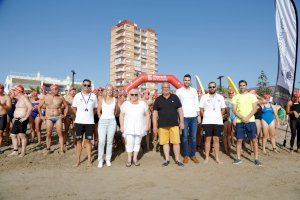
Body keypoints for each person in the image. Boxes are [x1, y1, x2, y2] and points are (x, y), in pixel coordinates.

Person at [153, 83, 184, 167]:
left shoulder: (175, 97)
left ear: (169, 88)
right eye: (164, 87)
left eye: (167, 87)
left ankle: (177, 159)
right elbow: (155, 114)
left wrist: (182, 122)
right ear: (161, 88)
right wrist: (155, 126)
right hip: (162, 125)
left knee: (176, 142)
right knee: (165, 143)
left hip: (174, 124)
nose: (165, 89)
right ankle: (167, 159)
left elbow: (180, 110)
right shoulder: (158, 99)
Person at [232, 80, 262, 166]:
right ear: (239, 86)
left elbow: (255, 108)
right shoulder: (236, 96)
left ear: (246, 86)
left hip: (251, 121)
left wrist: (247, 117)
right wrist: (242, 117)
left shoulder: (252, 96)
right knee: (239, 140)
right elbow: (234, 110)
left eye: (244, 85)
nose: (242, 87)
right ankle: (238, 159)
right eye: (240, 85)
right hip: (239, 121)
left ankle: (256, 159)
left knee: (254, 140)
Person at [120, 89, 150, 167]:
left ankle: (135, 159)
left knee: (137, 143)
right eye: (132, 94)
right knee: (129, 144)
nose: (134, 96)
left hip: (140, 127)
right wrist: (122, 126)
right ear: (129, 95)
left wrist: (147, 125)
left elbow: (147, 114)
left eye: (135, 94)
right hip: (128, 128)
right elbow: (121, 115)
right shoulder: (125, 104)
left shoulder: (143, 104)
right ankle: (129, 159)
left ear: (138, 95)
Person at [176, 74, 201, 163]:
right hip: (184, 117)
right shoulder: (178, 91)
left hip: (194, 116)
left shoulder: (194, 91)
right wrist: (179, 118)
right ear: (183, 81)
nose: (187, 81)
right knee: (185, 137)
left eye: (188, 80)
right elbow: (177, 105)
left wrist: (198, 116)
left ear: (190, 81)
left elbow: (196, 102)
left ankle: (193, 155)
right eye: (185, 80)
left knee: (193, 137)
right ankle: (186, 155)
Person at [72, 79, 98, 167]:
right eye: (85, 85)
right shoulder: (77, 96)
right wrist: (78, 115)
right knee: (78, 141)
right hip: (79, 122)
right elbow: (74, 108)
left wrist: (89, 115)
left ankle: (89, 160)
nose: (87, 87)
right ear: (82, 85)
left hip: (89, 122)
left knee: (88, 141)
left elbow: (95, 109)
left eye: (88, 85)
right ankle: (78, 161)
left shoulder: (94, 96)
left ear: (90, 86)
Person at [199, 82, 226, 164]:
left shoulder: (220, 97)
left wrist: (218, 116)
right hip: (207, 122)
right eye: (210, 87)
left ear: (216, 88)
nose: (212, 88)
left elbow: (223, 109)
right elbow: (201, 108)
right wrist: (206, 116)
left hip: (218, 122)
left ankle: (217, 158)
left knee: (216, 139)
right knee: (207, 139)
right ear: (208, 88)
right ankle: (206, 158)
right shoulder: (204, 97)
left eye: (213, 87)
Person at [38, 84, 68, 155]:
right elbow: (39, 107)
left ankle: (61, 149)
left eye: (57, 89)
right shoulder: (46, 97)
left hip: (58, 117)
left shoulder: (61, 97)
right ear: (51, 90)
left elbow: (66, 106)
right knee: (48, 134)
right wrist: (41, 116)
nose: (57, 90)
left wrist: (64, 115)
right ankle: (48, 149)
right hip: (49, 117)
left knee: (60, 133)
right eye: (55, 89)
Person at [97, 84, 118, 168]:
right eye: (108, 89)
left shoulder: (115, 100)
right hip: (103, 121)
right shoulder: (101, 99)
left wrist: (111, 117)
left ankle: (108, 159)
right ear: (105, 90)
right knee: (101, 141)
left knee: (109, 142)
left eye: (111, 90)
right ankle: (100, 160)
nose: (110, 91)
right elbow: (98, 111)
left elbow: (116, 111)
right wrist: (101, 118)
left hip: (112, 122)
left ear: (112, 91)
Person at [8, 85, 32, 157]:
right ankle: (15, 151)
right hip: (16, 119)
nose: (14, 91)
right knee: (13, 135)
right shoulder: (19, 98)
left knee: (22, 135)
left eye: (15, 90)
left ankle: (23, 152)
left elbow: (30, 107)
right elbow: (11, 96)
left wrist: (25, 117)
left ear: (19, 91)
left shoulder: (24, 97)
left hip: (22, 119)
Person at [224, 89, 236, 154]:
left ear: (234, 93)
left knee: (236, 129)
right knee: (228, 132)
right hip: (228, 117)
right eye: (229, 93)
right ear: (228, 94)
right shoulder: (225, 100)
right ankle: (228, 145)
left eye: (232, 93)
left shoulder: (236, 99)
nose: (231, 94)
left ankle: (238, 143)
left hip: (234, 116)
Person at [0, 83, 12, 152]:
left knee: (1, 133)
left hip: (2, 116)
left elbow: (9, 108)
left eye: (1, 88)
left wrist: (1, 104)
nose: (0, 89)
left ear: (3, 89)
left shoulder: (7, 97)